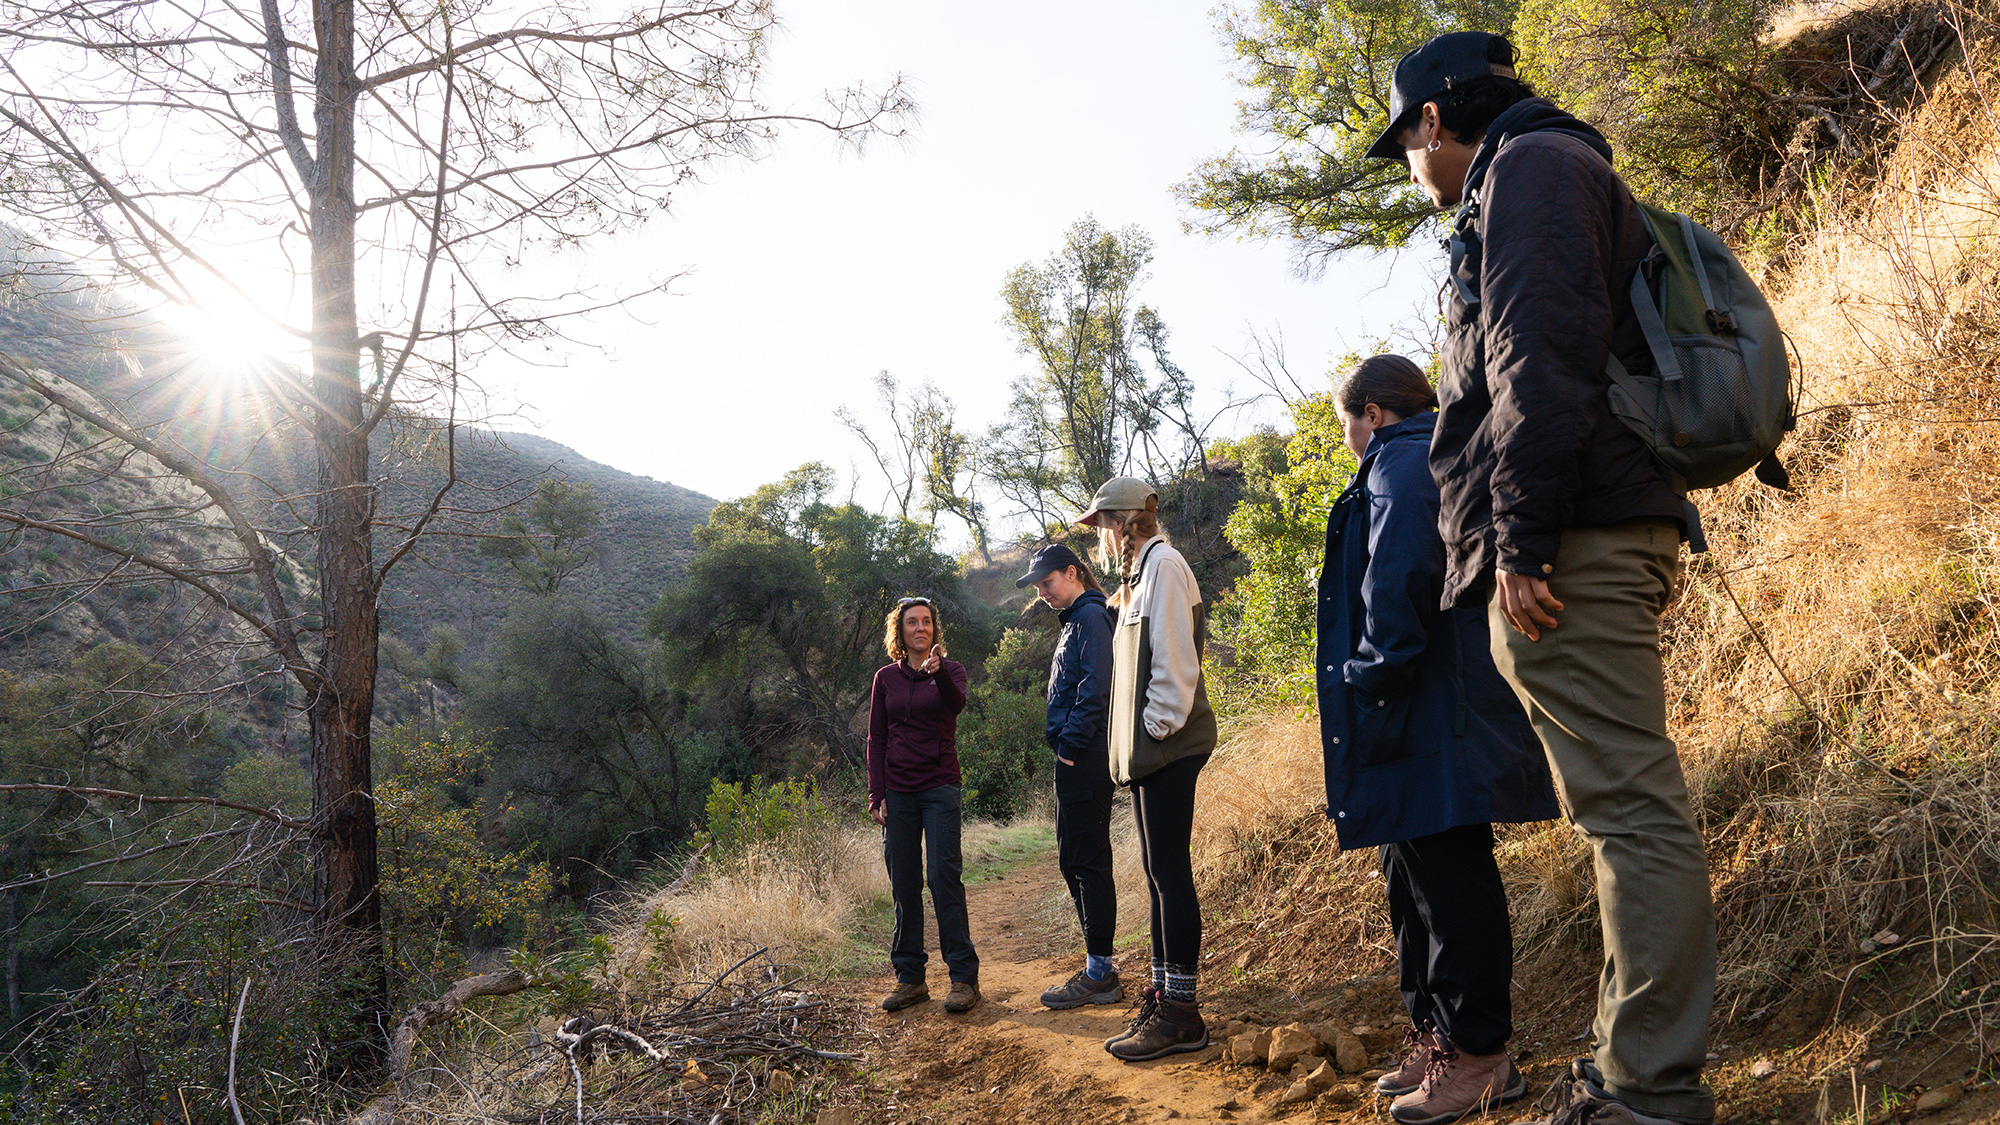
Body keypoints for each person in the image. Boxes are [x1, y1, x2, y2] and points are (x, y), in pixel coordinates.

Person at [1366, 32, 1716, 1125]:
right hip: (1581, 531)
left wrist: (1519, 540)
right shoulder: (1537, 172)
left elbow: (1538, 362)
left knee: (1629, 812)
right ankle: (1626, 1067)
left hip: (1572, 541)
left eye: (1405, 142)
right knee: (1619, 810)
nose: (1410, 165)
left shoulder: (1530, 170)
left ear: (1433, 119)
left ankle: (1646, 1085)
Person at [1317, 354, 1559, 1125]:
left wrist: (1369, 675)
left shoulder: (1401, 463)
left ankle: (1481, 1054)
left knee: (1449, 881)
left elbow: (1400, 574)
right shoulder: (1418, 455)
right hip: (1423, 704)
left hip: (1428, 705)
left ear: (1373, 413)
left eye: (1346, 423)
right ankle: (1438, 1037)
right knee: (1413, 875)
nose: (1348, 437)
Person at [1075, 477, 1215, 1062]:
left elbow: (1177, 664)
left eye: (1102, 525)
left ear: (1123, 521)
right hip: (1147, 753)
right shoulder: (1136, 577)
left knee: (1171, 875)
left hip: (1168, 747)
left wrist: (1154, 732)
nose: (1100, 537)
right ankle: (1162, 999)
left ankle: (1182, 1014)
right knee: (1159, 875)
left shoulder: (1166, 567)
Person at [1015, 543, 1123, 1010]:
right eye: (1039, 586)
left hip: (1086, 756)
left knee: (1087, 861)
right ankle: (1098, 967)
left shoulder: (1092, 617)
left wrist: (1071, 747)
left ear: (1073, 573)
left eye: (1048, 582)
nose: (1042, 593)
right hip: (1076, 756)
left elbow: (1096, 689)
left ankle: (1100, 974)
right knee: (1072, 860)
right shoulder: (1076, 620)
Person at [867, 596, 979, 1015]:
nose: (920, 628)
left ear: (935, 629)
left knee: (943, 877)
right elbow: (877, 738)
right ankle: (910, 978)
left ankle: (963, 978)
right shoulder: (885, 679)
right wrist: (877, 794)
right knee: (904, 882)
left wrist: (939, 674)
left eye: (927, 621)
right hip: (898, 792)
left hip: (940, 787)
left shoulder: (952, 671)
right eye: (912, 622)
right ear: (900, 631)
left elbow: (956, 705)